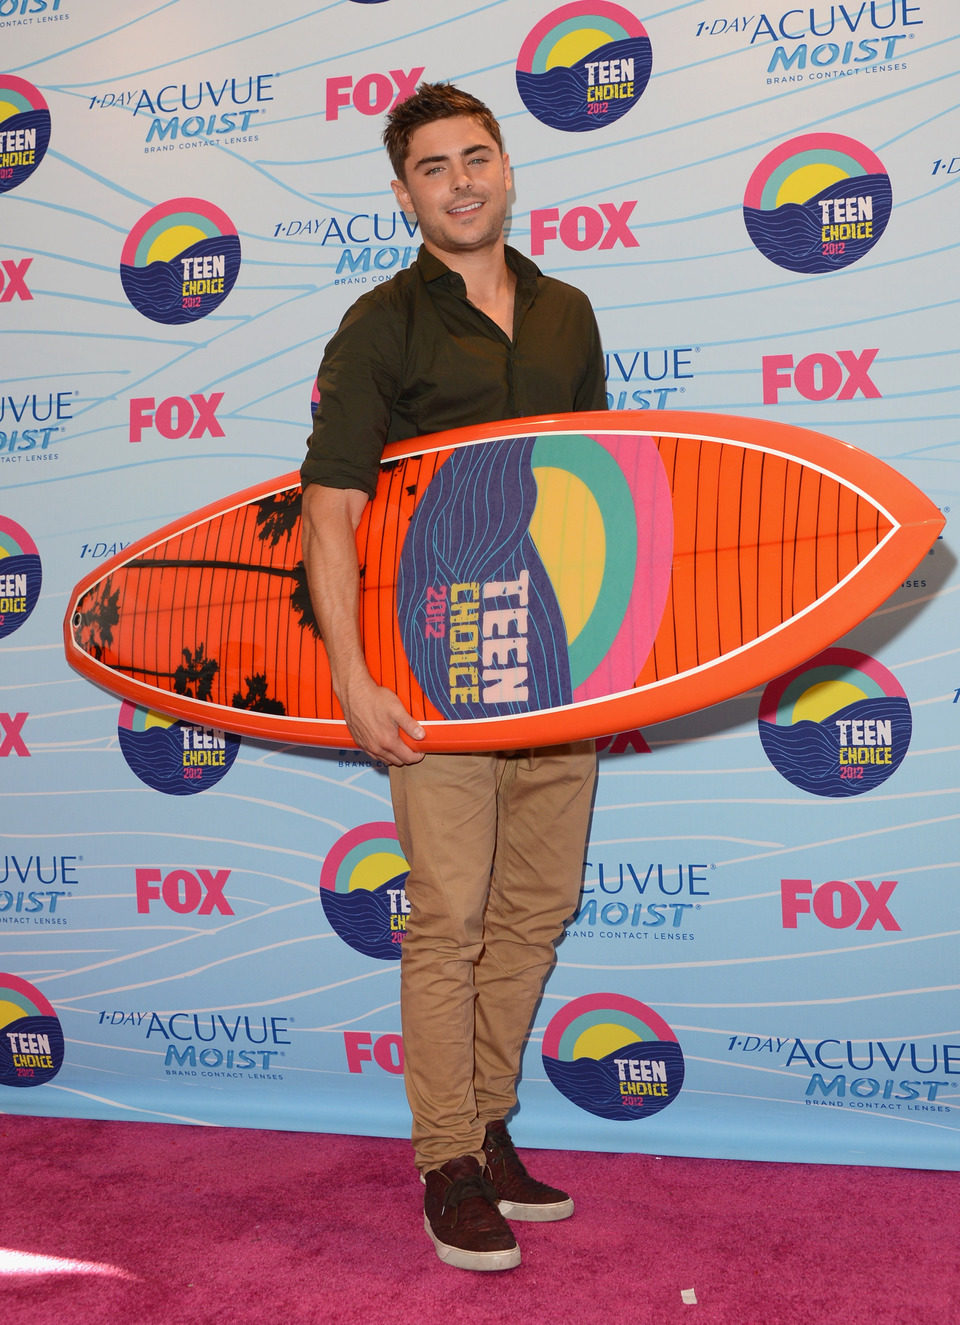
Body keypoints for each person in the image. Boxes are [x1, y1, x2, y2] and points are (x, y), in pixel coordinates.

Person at [301, 82, 605, 1272]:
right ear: (403, 193)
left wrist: (615, 661)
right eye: (435, 167)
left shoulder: (570, 311)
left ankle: (486, 1124)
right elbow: (330, 516)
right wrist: (353, 677)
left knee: (535, 911)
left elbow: (596, 494)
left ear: (507, 168)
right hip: (437, 661)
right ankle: (444, 1161)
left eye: (478, 157)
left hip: (562, 666)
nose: (462, 180)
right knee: (450, 922)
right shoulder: (383, 325)